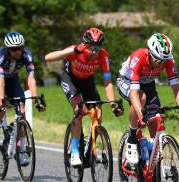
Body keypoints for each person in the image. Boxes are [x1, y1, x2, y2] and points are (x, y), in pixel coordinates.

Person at [44, 27, 123, 166]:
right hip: (70, 79)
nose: (93, 52)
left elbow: (108, 83)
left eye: (97, 48)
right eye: (90, 47)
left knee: (98, 113)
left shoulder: (103, 56)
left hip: (87, 81)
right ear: (84, 44)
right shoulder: (76, 51)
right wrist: (72, 50)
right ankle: (74, 151)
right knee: (78, 110)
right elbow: (48, 57)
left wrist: (112, 104)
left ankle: (91, 149)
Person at [117, 33, 179, 166]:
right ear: (149, 53)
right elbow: (134, 94)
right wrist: (141, 115)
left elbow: (177, 89)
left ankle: (149, 154)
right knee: (141, 98)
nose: (160, 64)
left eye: (163, 61)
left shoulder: (168, 59)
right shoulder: (138, 58)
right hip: (127, 81)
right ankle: (132, 138)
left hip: (148, 84)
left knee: (156, 117)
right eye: (157, 60)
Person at [0, 32, 45, 165]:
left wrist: (36, 98)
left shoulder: (27, 55)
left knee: (22, 113)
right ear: (8, 49)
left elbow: (31, 78)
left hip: (12, 79)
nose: (17, 51)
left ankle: (22, 149)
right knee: (1, 107)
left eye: (20, 48)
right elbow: (0, 82)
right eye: (14, 49)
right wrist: (2, 100)